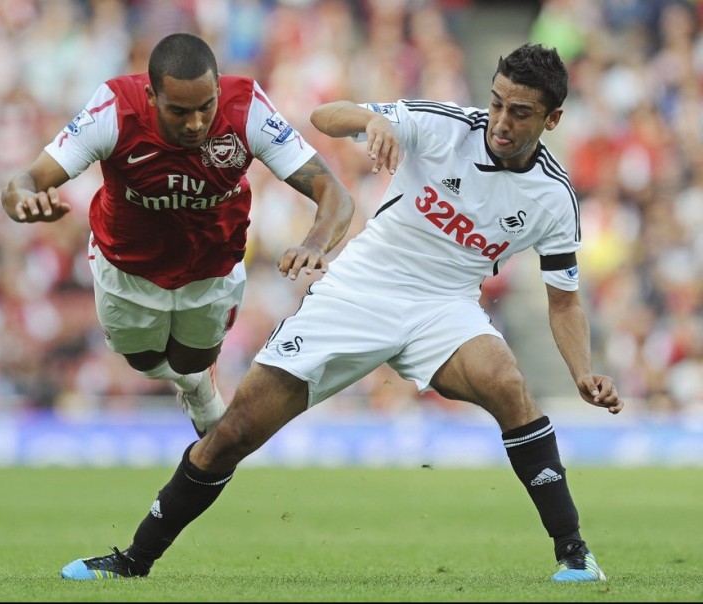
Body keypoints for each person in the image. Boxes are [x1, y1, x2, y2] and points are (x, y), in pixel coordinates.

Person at [59, 43, 623, 583]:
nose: (500, 120)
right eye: (497, 101)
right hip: (359, 291)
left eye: (519, 112)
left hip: (445, 307)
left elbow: (565, 299)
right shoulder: (444, 124)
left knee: (508, 385)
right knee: (233, 432)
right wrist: (371, 120)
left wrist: (581, 373)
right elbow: (326, 115)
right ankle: (134, 559)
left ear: (552, 120)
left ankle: (574, 554)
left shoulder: (553, 197)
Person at [1, 33, 354, 436]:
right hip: (126, 267)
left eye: (206, 106)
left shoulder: (248, 109)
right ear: (152, 96)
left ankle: (195, 381)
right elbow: (23, 181)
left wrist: (314, 243)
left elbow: (336, 194)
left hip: (212, 266)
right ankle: (193, 385)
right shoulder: (113, 111)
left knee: (191, 359)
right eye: (180, 111)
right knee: (143, 361)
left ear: (219, 88)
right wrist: (25, 201)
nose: (197, 123)